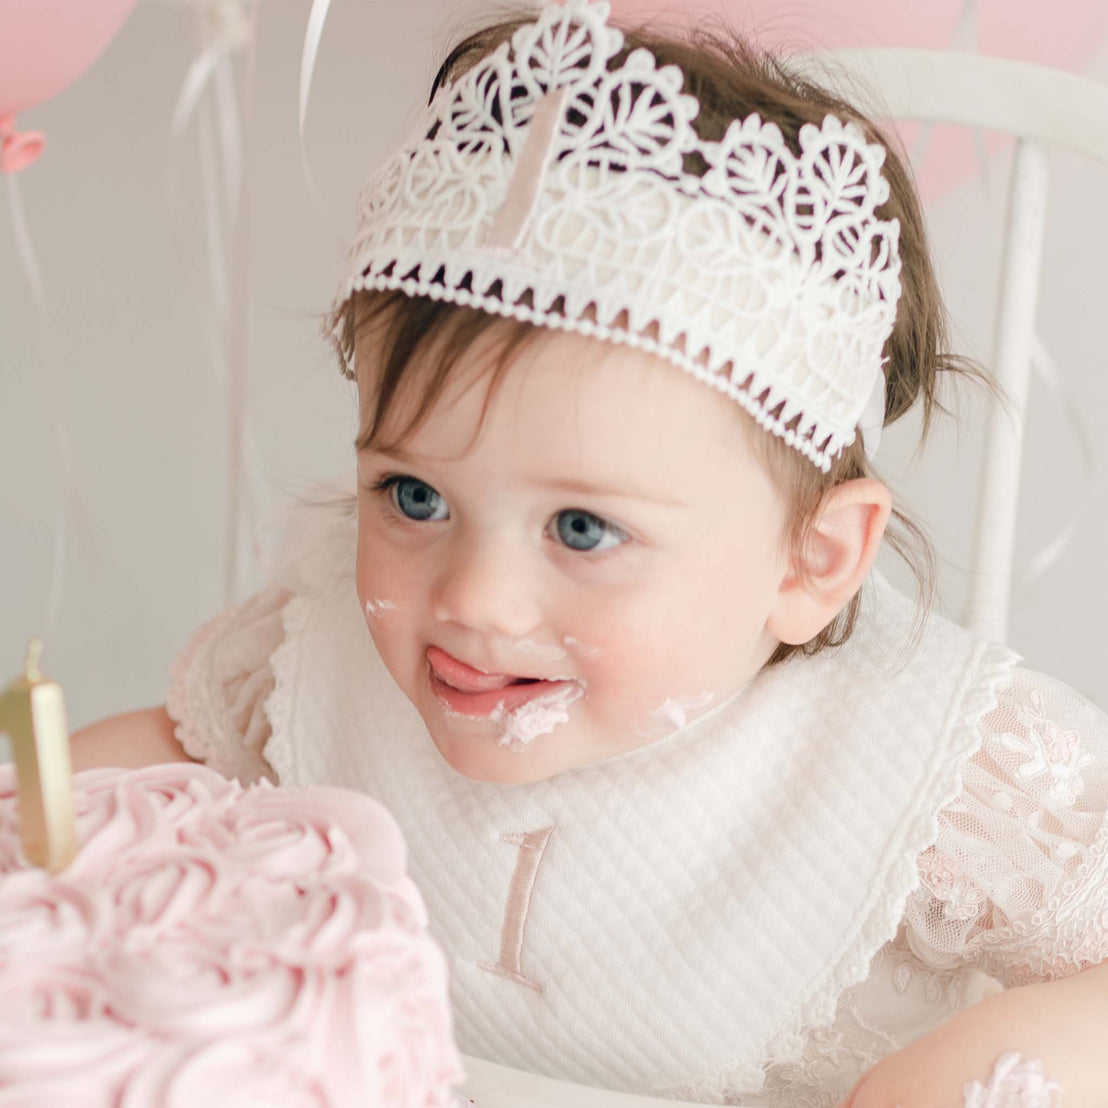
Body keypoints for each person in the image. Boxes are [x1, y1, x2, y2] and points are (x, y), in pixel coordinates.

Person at [72, 2, 1108, 1104]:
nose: (473, 596)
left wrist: (951, 1078)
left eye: (581, 529)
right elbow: (180, 759)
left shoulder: (935, 768)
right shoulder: (316, 656)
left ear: (808, 561)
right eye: (413, 495)